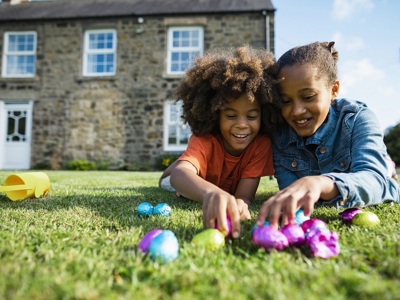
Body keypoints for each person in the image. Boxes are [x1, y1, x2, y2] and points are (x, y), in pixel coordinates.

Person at [257, 41, 400, 228]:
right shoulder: (279, 136)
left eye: (308, 97)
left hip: (371, 171)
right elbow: (292, 193)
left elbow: (377, 183)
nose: (297, 111)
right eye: (285, 101)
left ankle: (386, 163)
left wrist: (321, 183)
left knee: (382, 171)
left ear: (333, 90)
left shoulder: (359, 118)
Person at [159, 46, 281, 238]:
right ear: (215, 115)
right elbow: (179, 177)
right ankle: (183, 161)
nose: (242, 125)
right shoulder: (205, 139)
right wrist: (209, 193)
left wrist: (241, 203)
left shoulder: (261, 145)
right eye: (231, 116)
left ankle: (188, 160)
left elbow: (244, 196)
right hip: (188, 178)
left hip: (213, 181)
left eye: (251, 116)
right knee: (168, 179)